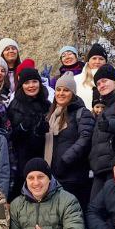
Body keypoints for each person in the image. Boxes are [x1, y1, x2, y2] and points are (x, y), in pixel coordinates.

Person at [43, 75, 95, 209]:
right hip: (54, 176)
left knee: (73, 214)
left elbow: (86, 138)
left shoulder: (82, 113)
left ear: (73, 93)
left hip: (74, 176)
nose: (61, 93)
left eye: (66, 90)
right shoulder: (51, 115)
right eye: (58, 90)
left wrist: (65, 160)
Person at [7, 66, 51, 194]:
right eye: (26, 82)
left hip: (44, 156)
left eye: (34, 81)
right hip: (22, 160)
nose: (31, 85)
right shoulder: (14, 106)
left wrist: (43, 131)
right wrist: (22, 128)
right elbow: (10, 135)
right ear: (21, 85)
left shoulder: (47, 105)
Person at [76, 44, 109, 110]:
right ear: (88, 61)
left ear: (105, 62)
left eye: (101, 59)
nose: (97, 62)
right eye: (94, 58)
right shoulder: (76, 80)